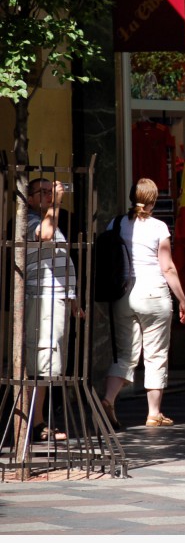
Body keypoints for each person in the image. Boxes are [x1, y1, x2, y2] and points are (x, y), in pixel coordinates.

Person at [100, 179, 185, 429]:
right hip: (153, 295)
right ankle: (153, 413)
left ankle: (108, 399)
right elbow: (168, 267)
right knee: (155, 355)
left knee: (125, 354)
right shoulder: (159, 227)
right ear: (153, 200)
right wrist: (182, 299)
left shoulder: (115, 224)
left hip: (123, 295)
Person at [24, 177, 81, 442]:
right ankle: (35, 424)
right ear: (30, 197)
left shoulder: (50, 218)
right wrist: (56, 203)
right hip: (43, 300)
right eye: (43, 192)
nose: (48, 196)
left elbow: (58, 258)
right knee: (42, 361)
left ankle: (38, 421)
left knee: (49, 363)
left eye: (51, 191)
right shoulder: (33, 220)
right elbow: (44, 235)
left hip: (56, 298)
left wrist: (72, 297)